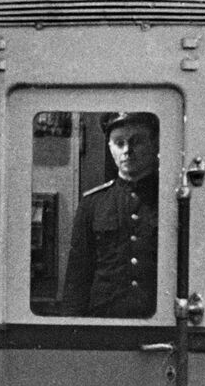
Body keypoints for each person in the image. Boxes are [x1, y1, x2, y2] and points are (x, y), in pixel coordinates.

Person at [61, 112, 159, 317]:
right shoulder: (93, 204)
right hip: (105, 321)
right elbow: (78, 277)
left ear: (155, 145)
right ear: (110, 148)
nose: (127, 151)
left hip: (158, 321)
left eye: (137, 141)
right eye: (119, 143)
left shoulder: (169, 200)